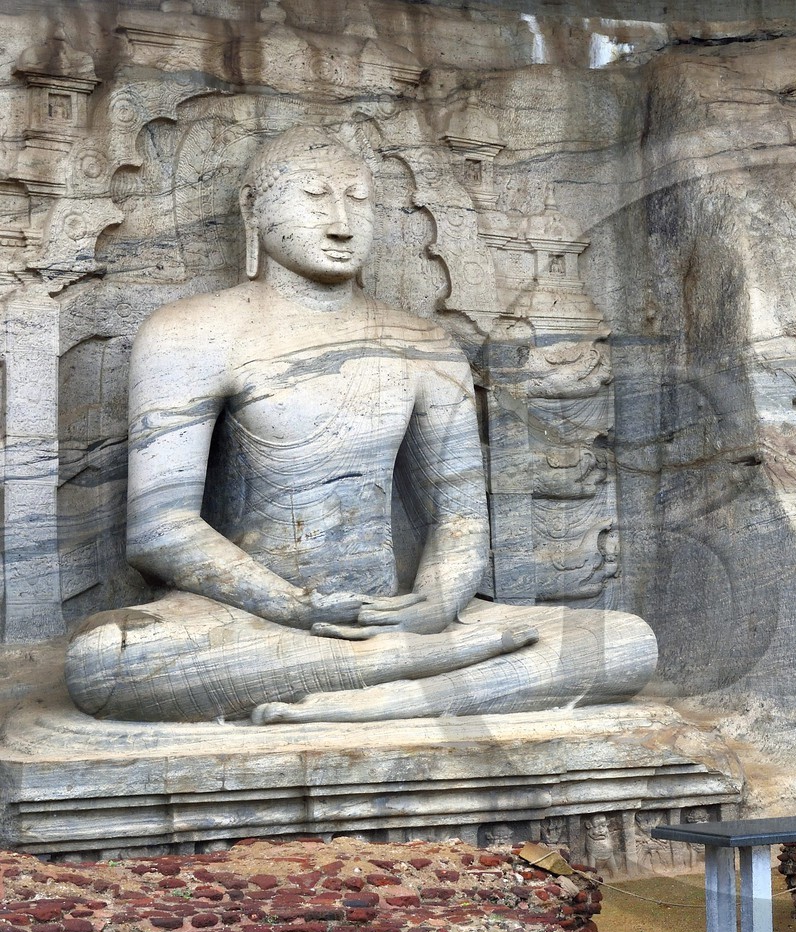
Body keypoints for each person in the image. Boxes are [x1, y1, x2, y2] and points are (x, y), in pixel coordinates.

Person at [64, 127, 657, 725]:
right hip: (249, 619)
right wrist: (294, 607)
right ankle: (411, 672)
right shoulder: (190, 333)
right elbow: (159, 530)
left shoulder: (423, 344)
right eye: (315, 197)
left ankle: (371, 696)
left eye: (358, 198)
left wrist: (436, 604)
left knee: (627, 644)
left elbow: (458, 521)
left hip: (396, 614)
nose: (342, 222)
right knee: (104, 663)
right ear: (254, 209)